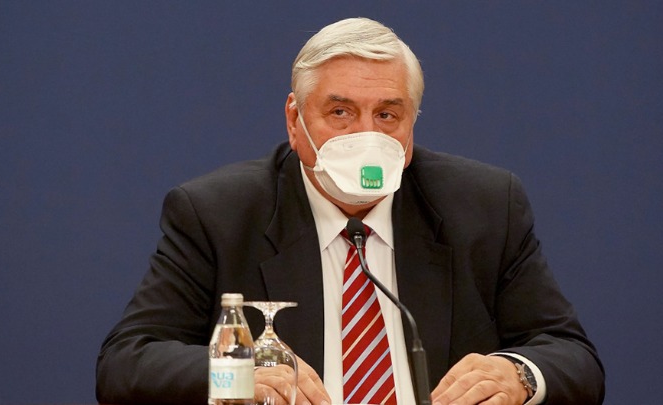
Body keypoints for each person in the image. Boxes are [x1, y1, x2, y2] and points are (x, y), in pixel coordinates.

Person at [96, 17, 605, 405]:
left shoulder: (484, 205)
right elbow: (125, 363)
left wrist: (519, 375)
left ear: (411, 126)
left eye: (387, 114)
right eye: (340, 112)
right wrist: (241, 374)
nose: (366, 136)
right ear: (295, 121)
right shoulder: (219, 213)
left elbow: (573, 356)